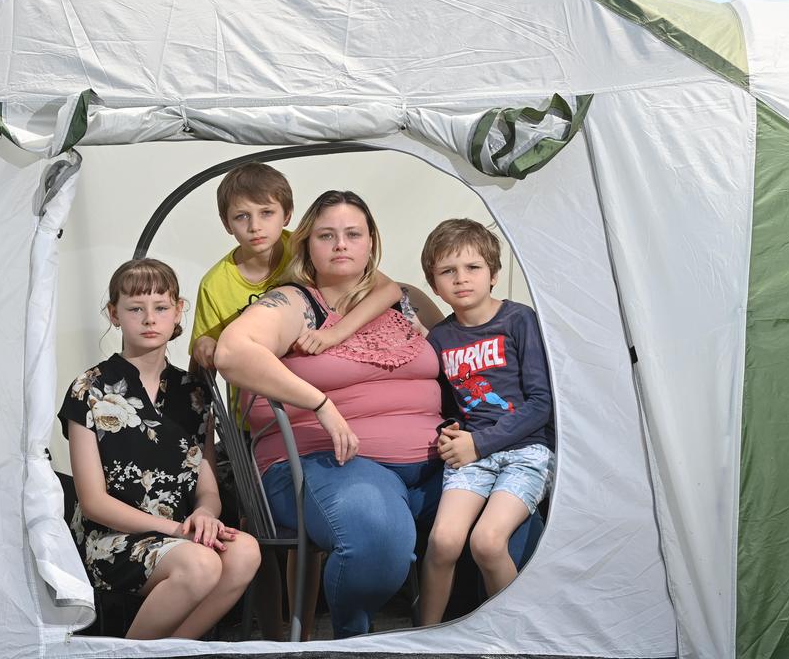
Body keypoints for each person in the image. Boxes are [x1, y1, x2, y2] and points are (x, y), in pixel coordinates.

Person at [213, 190, 444, 639]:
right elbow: (233, 351)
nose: (341, 244)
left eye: (352, 234)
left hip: (436, 465)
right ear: (306, 246)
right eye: (326, 235)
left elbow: (467, 350)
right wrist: (320, 403)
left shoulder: (407, 299)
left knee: (516, 512)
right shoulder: (294, 303)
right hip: (327, 465)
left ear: (371, 242)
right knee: (375, 534)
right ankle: (352, 642)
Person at [59, 258, 260, 640]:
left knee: (245, 551)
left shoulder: (195, 393)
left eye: (161, 307)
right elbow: (94, 502)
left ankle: (170, 650)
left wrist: (204, 515)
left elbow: (207, 488)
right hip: (111, 541)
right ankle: (125, 654)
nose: (149, 318)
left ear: (178, 311)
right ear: (114, 314)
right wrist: (178, 531)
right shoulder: (89, 389)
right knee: (200, 564)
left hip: (181, 537)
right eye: (136, 309)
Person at [415, 219, 556, 626]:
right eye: (448, 271)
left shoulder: (519, 321)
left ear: (493, 274)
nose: (461, 279)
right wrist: (450, 431)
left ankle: (514, 636)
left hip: (527, 451)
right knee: (443, 541)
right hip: (472, 453)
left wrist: (479, 443)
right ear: (434, 283)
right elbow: (448, 407)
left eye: (473, 268)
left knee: (488, 542)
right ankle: (425, 638)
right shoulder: (440, 339)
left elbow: (542, 403)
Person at [190, 162, 401, 370]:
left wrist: (336, 333)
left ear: (288, 215)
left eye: (266, 213)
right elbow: (203, 354)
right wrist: (205, 345)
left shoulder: (307, 248)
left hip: (321, 367)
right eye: (241, 216)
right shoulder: (214, 285)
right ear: (227, 223)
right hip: (256, 390)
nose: (255, 226)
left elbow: (388, 289)